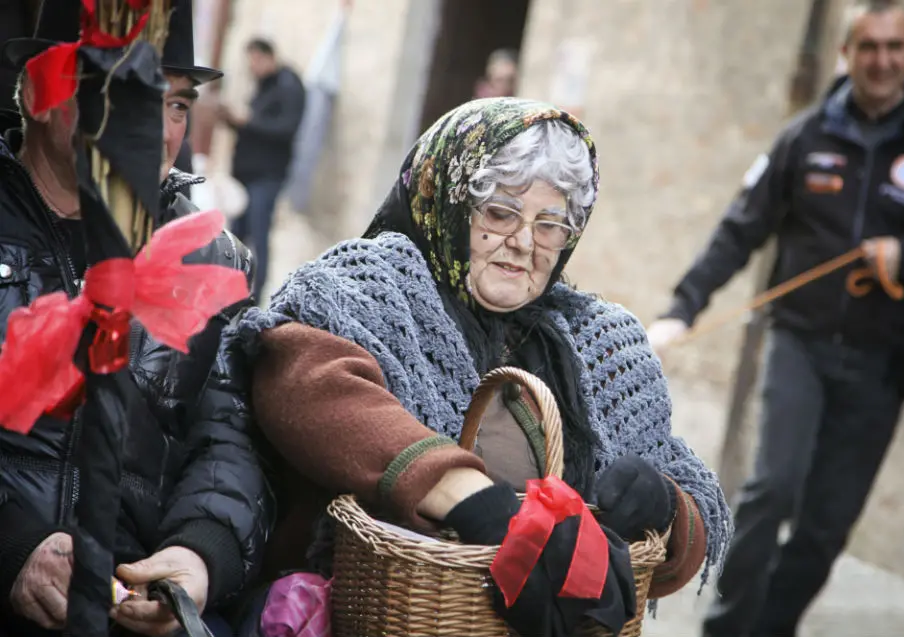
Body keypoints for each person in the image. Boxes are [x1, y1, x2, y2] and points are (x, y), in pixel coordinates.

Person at [231, 97, 730, 636]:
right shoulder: (364, 289)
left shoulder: (598, 339)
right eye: (499, 213)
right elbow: (309, 385)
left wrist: (665, 506)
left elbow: (685, 509)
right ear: (448, 201)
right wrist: (477, 503)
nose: (522, 243)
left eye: (549, 225)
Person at [644, 2, 904, 636]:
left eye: (894, 47)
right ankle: (726, 629)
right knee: (773, 490)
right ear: (846, 54)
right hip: (801, 344)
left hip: (882, 364)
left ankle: (773, 628)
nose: (882, 61)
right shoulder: (806, 137)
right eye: (868, 47)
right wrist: (682, 308)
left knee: (826, 524)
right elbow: (740, 229)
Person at [0, 1, 270, 635]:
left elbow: (228, 436)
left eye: (176, 103)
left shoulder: (207, 256)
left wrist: (199, 555)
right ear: (44, 93)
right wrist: (12, 547)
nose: (161, 128)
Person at [219, 38, 306, 304]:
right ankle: (227, 293)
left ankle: (254, 299)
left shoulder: (288, 85)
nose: (253, 67)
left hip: (266, 177)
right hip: (245, 177)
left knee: (258, 235)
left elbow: (285, 129)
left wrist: (249, 121)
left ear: (269, 57)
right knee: (235, 239)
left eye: (256, 60)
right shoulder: (263, 86)